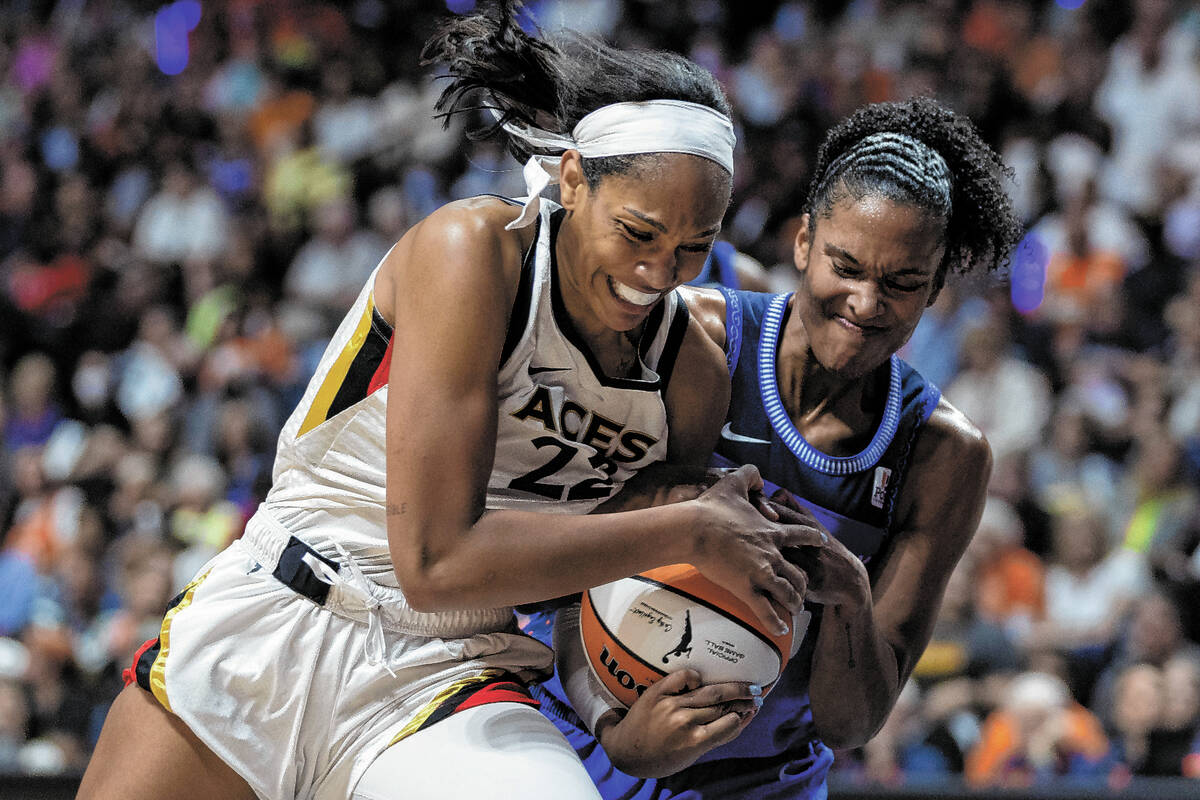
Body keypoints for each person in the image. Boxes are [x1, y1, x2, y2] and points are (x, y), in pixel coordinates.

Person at [75, 5, 822, 799]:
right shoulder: (472, 252)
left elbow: (591, 584)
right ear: (573, 178)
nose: (659, 270)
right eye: (637, 232)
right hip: (288, 610)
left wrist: (617, 724)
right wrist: (687, 529)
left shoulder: (691, 380)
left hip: (453, 668)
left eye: (692, 247)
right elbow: (433, 561)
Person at [524, 96, 1024, 798]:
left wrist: (850, 596)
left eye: (902, 283)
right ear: (802, 242)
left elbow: (853, 723)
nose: (865, 303)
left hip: (758, 780)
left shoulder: (945, 454)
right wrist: (615, 726)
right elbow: (568, 562)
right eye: (844, 265)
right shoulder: (694, 337)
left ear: (936, 286)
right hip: (576, 723)